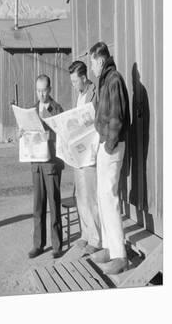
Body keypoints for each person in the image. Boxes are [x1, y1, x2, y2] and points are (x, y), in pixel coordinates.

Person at [89, 42, 130, 274]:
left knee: (110, 197)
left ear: (100, 60)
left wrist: (109, 145)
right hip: (106, 144)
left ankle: (120, 256)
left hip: (111, 147)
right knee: (102, 197)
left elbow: (117, 117)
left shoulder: (113, 79)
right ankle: (108, 246)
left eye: (93, 62)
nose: (92, 67)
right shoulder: (106, 79)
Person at [27, 74, 64, 259]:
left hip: (51, 164)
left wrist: (50, 136)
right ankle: (38, 244)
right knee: (38, 206)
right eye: (38, 90)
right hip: (36, 163)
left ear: (50, 90)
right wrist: (22, 133)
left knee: (54, 204)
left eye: (44, 90)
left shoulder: (57, 109)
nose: (41, 94)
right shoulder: (31, 110)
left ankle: (57, 245)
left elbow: (63, 134)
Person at [68, 60, 101, 254]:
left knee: (91, 197)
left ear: (83, 77)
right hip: (78, 152)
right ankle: (85, 234)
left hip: (90, 152)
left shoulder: (93, 93)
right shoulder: (79, 96)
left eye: (74, 81)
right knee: (80, 195)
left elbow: (96, 120)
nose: (73, 85)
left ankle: (96, 239)